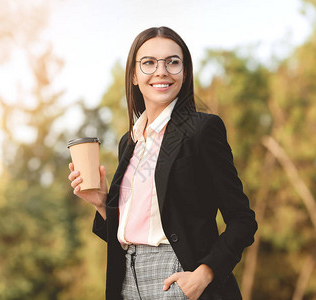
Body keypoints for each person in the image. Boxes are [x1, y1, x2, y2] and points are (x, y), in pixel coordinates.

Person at [68, 26, 257, 300]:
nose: (161, 71)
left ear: (185, 72)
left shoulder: (202, 130)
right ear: (133, 75)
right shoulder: (129, 142)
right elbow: (134, 231)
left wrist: (203, 274)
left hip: (178, 276)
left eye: (173, 62)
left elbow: (243, 220)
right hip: (126, 279)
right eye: (148, 63)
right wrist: (102, 203)